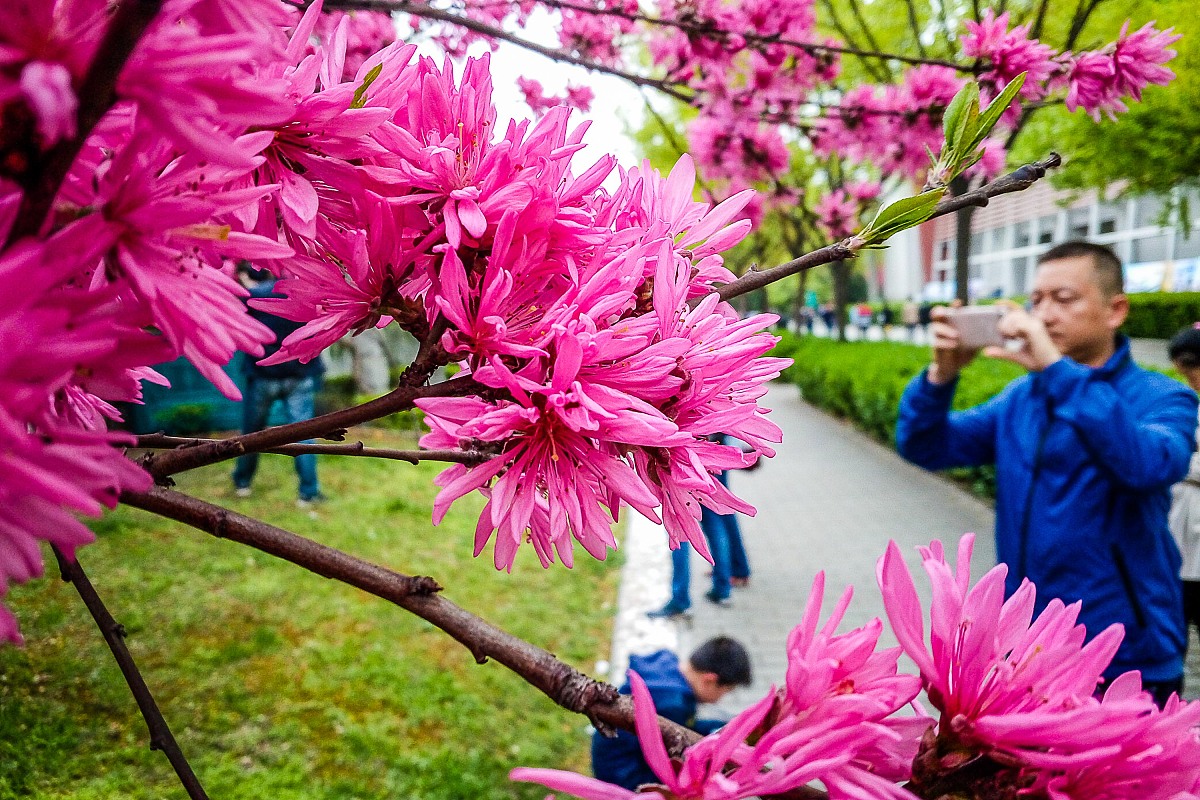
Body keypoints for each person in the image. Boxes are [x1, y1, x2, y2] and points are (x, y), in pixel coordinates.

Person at [896, 241, 1198, 708]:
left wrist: (1058, 371)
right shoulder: (1022, 398)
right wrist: (940, 377)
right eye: (1036, 300)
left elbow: (1146, 465)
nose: (1044, 315)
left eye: (1064, 298)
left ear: (1116, 310)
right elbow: (925, 445)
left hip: (1127, 649)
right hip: (1029, 650)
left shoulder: (1164, 397)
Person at [591, 637, 752, 790]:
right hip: (625, 776)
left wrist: (724, 726)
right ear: (709, 680)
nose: (720, 699)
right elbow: (676, 752)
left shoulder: (667, 665)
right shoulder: (672, 705)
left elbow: (685, 727)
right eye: (725, 692)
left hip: (613, 755)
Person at [231, 264, 327, 506]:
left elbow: (240, 324)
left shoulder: (255, 295)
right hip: (299, 374)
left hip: (262, 375)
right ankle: (309, 492)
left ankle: (242, 483)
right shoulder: (307, 294)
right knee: (303, 435)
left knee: (252, 434)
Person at [649, 436, 752, 617]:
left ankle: (680, 599)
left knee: (680, 529)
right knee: (715, 521)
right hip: (712, 447)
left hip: (681, 449)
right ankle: (722, 589)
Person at [1168, 325, 1200, 649]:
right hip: (1180, 527)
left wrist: (1177, 460)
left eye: (1191, 371)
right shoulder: (1187, 404)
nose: (1189, 380)